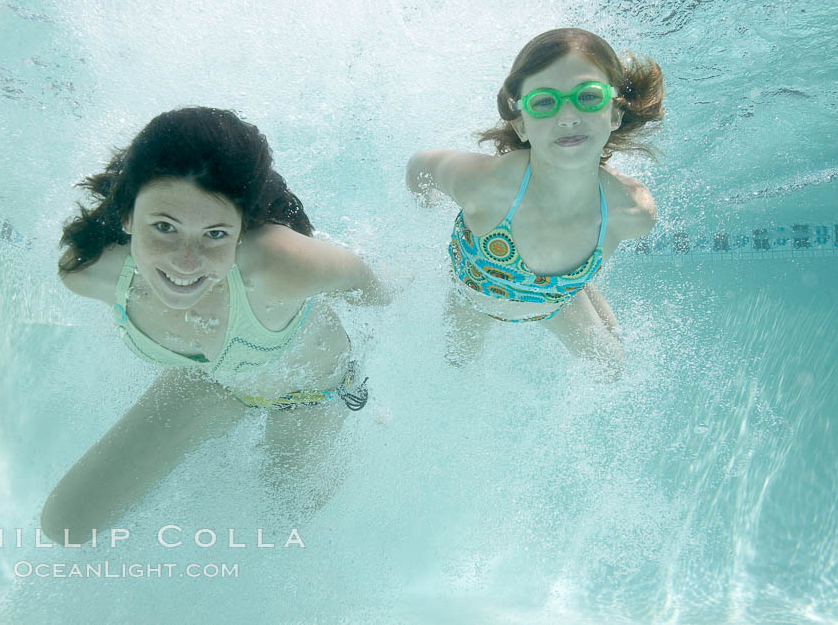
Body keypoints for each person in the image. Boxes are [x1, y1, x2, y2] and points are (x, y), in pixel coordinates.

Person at [41, 107, 388, 546]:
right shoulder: (89, 273)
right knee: (66, 526)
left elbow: (369, 287)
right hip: (211, 386)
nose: (185, 262)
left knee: (288, 523)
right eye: (164, 227)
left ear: (243, 230)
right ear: (127, 216)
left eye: (215, 234)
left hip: (309, 393)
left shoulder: (280, 265)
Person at [406, 28, 664, 377]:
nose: (568, 115)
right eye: (544, 102)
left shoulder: (630, 211)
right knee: (457, 361)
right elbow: (420, 166)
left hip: (552, 302)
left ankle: (577, 282)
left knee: (611, 368)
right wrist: (426, 207)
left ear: (615, 114)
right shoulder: (488, 186)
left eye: (588, 97)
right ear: (521, 124)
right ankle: (573, 280)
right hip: (475, 299)